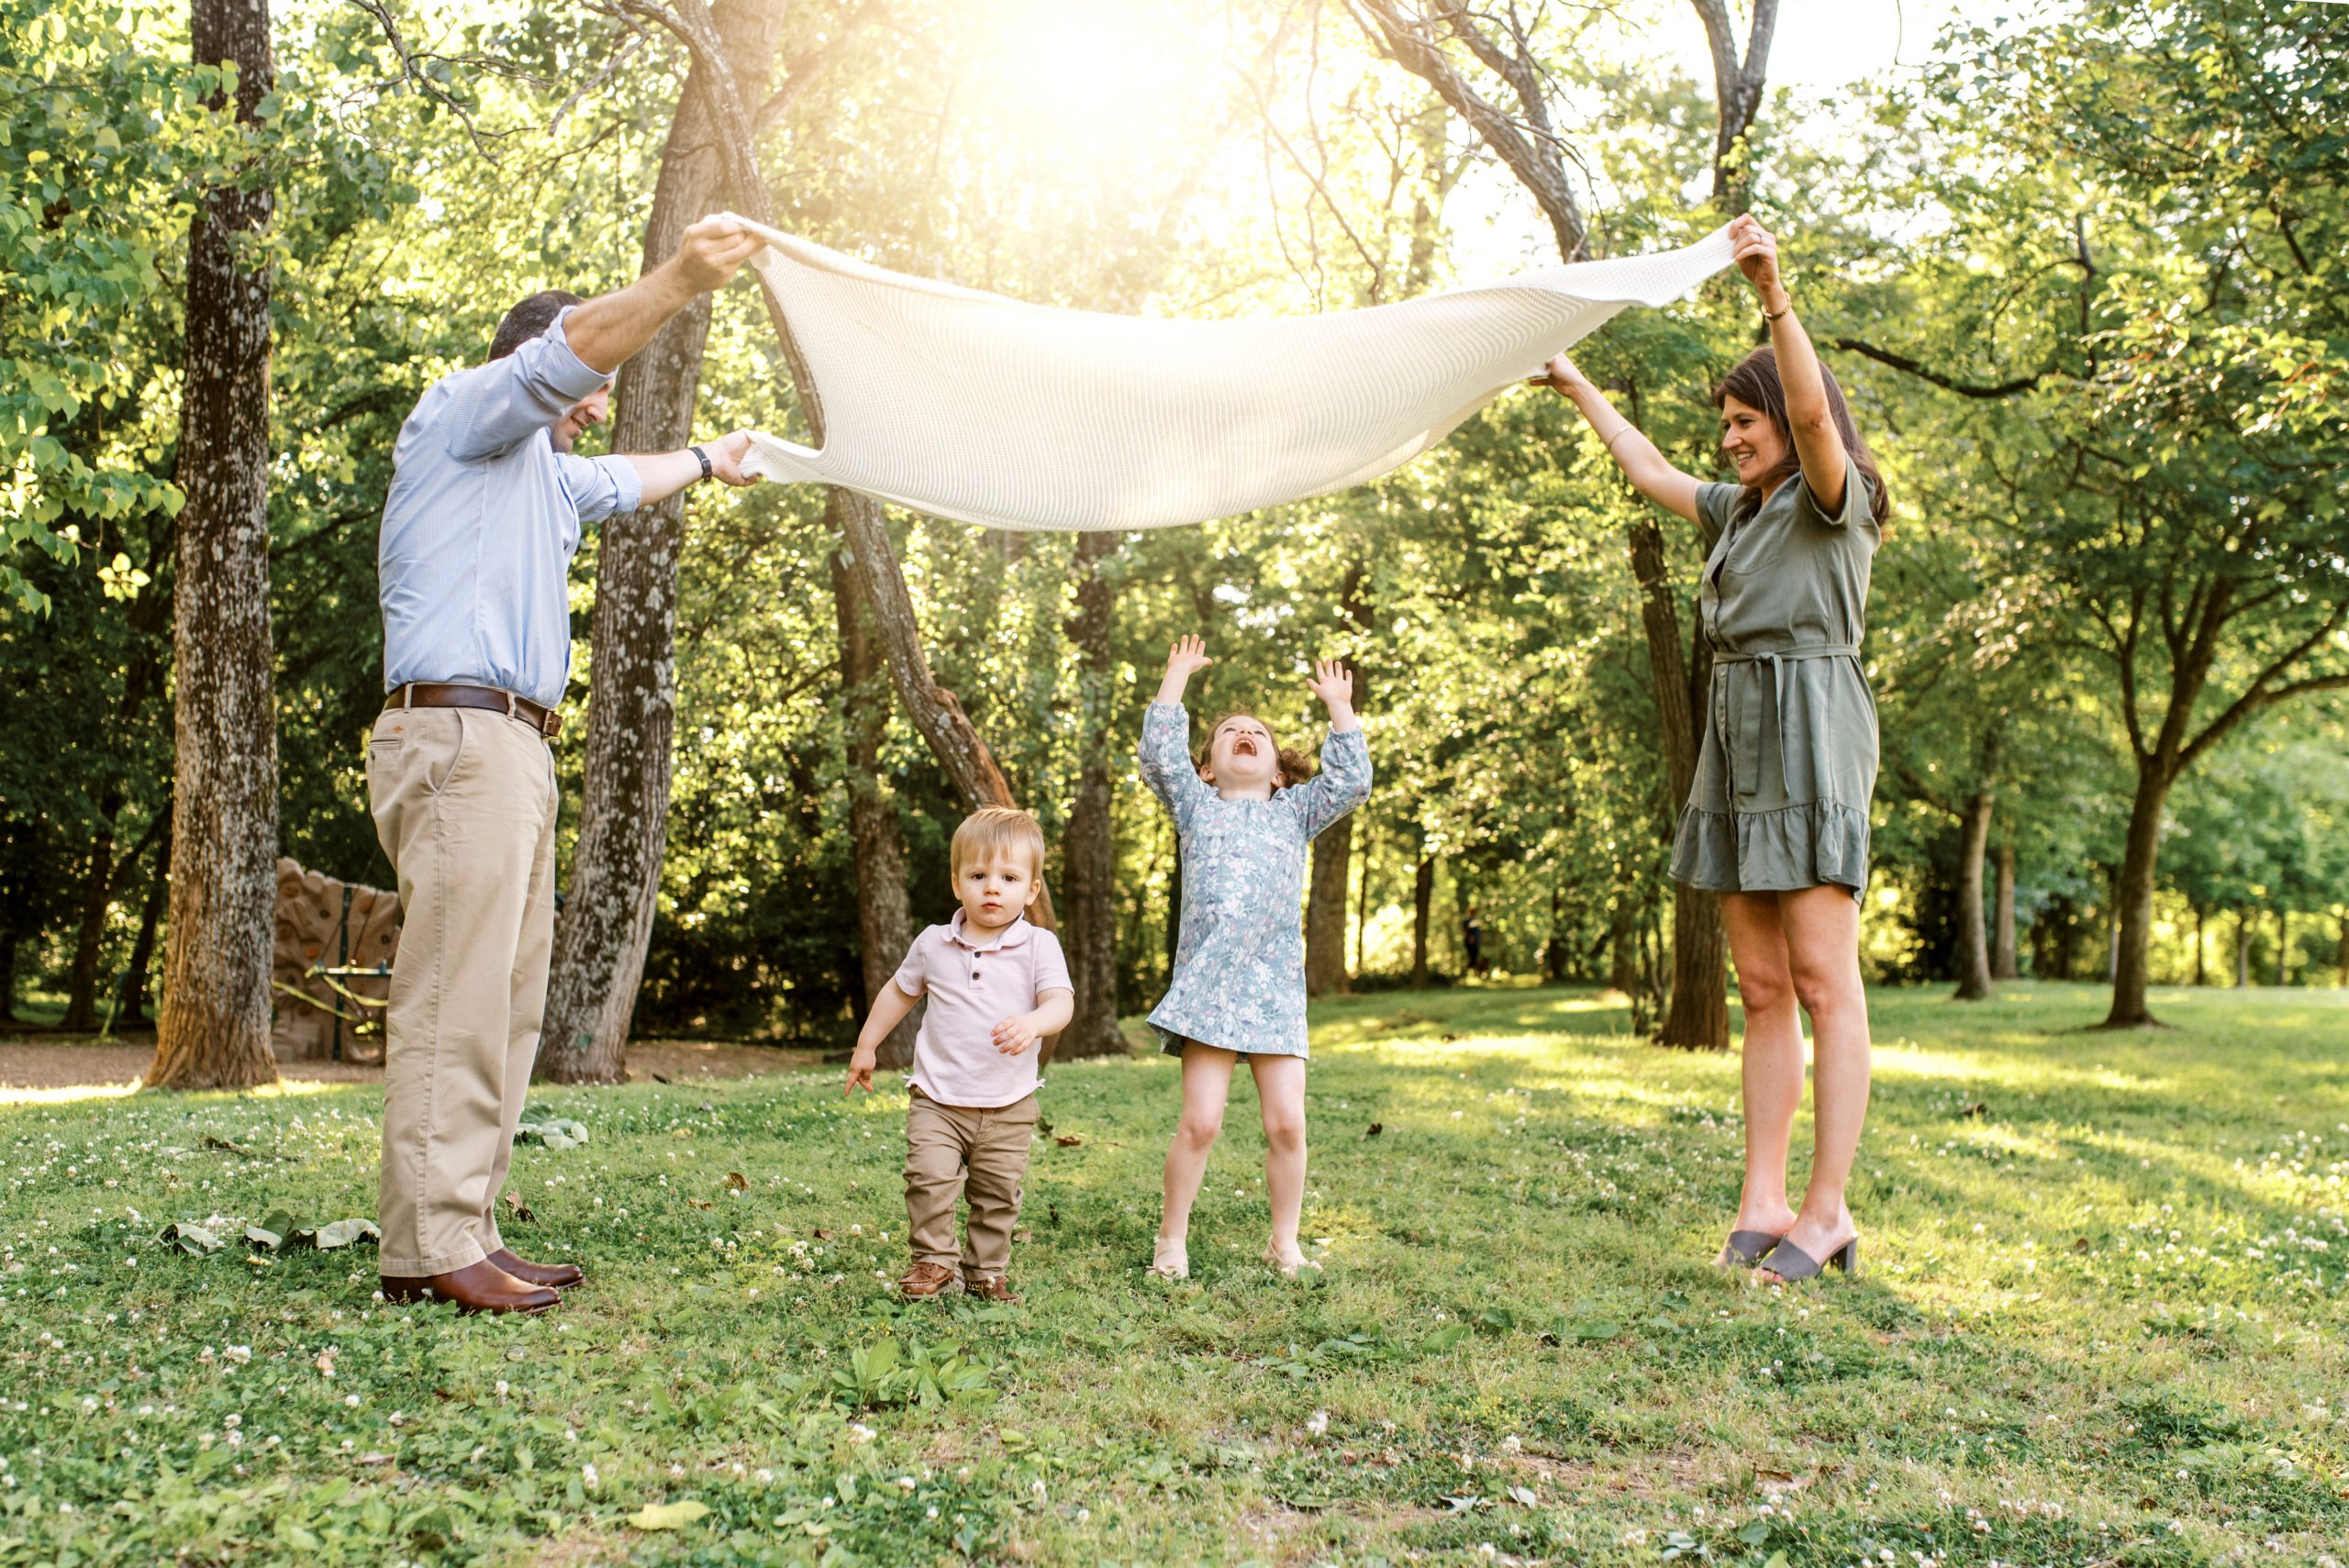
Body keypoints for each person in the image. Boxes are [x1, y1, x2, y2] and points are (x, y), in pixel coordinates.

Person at [370, 216, 767, 1314]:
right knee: (456, 995)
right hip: (457, 739)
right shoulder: (468, 410)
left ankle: (470, 1225)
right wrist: (683, 277)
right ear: (534, 361)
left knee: (505, 1001)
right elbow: (568, 363)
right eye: (590, 382)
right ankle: (428, 1242)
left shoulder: (543, 478)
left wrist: (705, 458)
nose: (597, 405)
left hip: (516, 749)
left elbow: (620, 478)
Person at [1539, 214, 1889, 1284]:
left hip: (1812, 727)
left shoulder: (1835, 499)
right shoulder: (1736, 512)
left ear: (1786, 417)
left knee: (1825, 982)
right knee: (1761, 983)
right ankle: (1764, 1195)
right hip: (1735, 737)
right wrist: (1572, 382)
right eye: (1727, 422)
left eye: (1746, 419)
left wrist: (1772, 294)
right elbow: (1648, 468)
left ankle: (1827, 1209)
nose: (1732, 436)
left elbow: (1818, 413)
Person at [1139, 637, 1371, 1280]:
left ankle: (1284, 1242)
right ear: (1208, 767)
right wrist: (1175, 675)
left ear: (1276, 770)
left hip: (1272, 988)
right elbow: (1158, 755)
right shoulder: (1195, 806)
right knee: (1201, 1122)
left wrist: (1339, 709)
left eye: (1257, 733)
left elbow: (1352, 781)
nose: (1244, 733)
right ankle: (1171, 1240)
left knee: (1288, 1123)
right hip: (1209, 987)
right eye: (1229, 732)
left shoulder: (1295, 812)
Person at [847, 808, 1074, 1303]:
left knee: (997, 1195)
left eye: (1009, 878)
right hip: (938, 1097)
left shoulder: (1039, 945)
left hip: (1009, 1102)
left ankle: (985, 1271)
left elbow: (1061, 1003)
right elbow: (898, 993)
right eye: (978, 876)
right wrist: (867, 1045)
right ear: (957, 884)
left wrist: (1033, 1022)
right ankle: (932, 1261)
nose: (992, 888)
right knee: (927, 1177)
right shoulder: (934, 943)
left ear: (1031, 890)